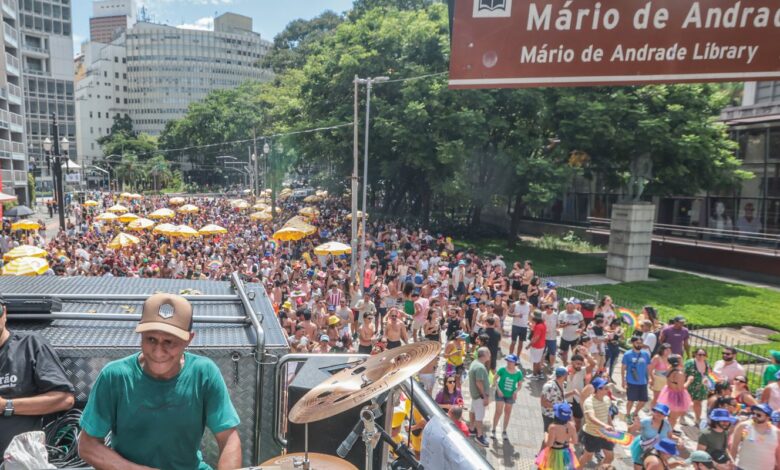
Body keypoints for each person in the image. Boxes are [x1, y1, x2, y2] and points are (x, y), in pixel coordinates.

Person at [79, 293, 242, 470]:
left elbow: (229, 439)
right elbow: (87, 445)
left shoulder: (204, 373)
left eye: (169, 342)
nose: (158, 352)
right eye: (151, 339)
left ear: (188, 339)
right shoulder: (115, 376)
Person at [0, 296, 76, 456]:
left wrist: (7, 405)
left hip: (22, 461)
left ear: (4, 312)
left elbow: (64, 399)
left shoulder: (30, 345)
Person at [729, 403, 780, 470]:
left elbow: (778, 454)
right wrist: (731, 466)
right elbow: (734, 448)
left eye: (758, 415)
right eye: (753, 413)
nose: (754, 416)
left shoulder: (776, 432)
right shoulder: (743, 426)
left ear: (768, 417)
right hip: (743, 468)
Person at [579, 378, 615, 468]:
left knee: (610, 457)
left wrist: (611, 425)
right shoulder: (589, 402)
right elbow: (591, 417)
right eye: (603, 387)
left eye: (606, 387)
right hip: (592, 434)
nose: (607, 389)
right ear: (597, 390)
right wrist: (605, 425)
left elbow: (607, 414)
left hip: (605, 433)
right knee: (587, 456)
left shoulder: (607, 399)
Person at [628, 403, 674, 469]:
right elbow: (629, 431)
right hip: (643, 449)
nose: (659, 414)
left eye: (662, 413)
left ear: (665, 416)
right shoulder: (645, 421)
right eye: (657, 411)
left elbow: (670, 436)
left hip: (658, 450)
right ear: (653, 411)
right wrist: (634, 426)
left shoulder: (666, 424)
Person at [535, 402, 579, 470]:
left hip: (554, 453)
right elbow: (575, 441)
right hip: (566, 452)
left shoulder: (553, 428)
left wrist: (546, 435)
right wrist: (565, 441)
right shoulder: (572, 426)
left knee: (544, 467)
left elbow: (549, 444)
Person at [492, 354, 523, 442]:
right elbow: (494, 379)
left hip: (510, 396)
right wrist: (498, 390)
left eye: (511, 361)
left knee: (507, 413)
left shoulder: (519, 373)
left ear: (515, 363)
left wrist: (516, 391)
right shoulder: (502, 369)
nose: (509, 363)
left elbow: (520, 385)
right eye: (508, 361)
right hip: (500, 394)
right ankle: (493, 430)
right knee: (498, 412)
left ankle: (504, 431)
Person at [622, 335, 651, 425]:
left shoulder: (645, 354)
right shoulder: (627, 354)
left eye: (640, 343)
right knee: (631, 400)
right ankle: (627, 414)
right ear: (633, 343)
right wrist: (623, 380)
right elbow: (623, 368)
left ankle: (634, 413)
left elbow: (648, 368)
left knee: (643, 400)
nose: (639, 344)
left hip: (643, 381)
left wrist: (649, 378)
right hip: (631, 381)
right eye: (637, 343)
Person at [657, 354, 692, 429]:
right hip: (677, 395)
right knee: (673, 417)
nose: (683, 360)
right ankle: (669, 431)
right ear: (678, 362)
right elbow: (681, 388)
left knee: (670, 415)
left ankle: (666, 428)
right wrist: (689, 380)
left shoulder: (670, 368)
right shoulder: (679, 373)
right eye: (681, 359)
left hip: (669, 393)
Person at [468, 347, 491, 447]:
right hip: (479, 396)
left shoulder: (475, 363)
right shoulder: (480, 368)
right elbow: (479, 382)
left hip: (474, 395)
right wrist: (484, 397)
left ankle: (472, 429)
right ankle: (479, 436)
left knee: (472, 411)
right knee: (479, 417)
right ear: (484, 355)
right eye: (488, 352)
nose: (490, 354)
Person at [685, 348, 712, 427]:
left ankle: (697, 419)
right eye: (699, 354)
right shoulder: (690, 362)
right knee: (685, 402)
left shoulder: (706, 364)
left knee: (698, 403)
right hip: (690, 385)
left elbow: (708, 374)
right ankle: (682, 417)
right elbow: (684, 373)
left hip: (701, 387)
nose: (701, 356)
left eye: (703, 355)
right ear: (695, 354)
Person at [541, 367, 569, 434]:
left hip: (558, 415)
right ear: (564, 375)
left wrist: (573, 392)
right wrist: (557, 408)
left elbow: (561, 396)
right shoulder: (549, 386)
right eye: (567, 374)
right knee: (547, 435)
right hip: (549, 415)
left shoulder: (563, 384)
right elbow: (543, 402)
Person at [558, 299, 584, 366]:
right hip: (565, 337)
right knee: (564, 352)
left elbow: (583, 324)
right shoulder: (562, 313)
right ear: (565, 307)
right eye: (568, 307)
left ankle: (574, 365)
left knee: (575, 352)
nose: (570, 309)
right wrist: (565, 324)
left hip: (575, 337)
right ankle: (565, 365)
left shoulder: (578, 314)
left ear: (574, 307)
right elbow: (559, 325)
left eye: (571, 307)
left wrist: (581, 329)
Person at [648, 343, 671, 409]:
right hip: (658, 379)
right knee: (657, 397)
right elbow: (650, 369)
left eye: (669, 350)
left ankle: (659, 410)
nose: (668, 351)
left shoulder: (670, 358)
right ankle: (652, 409)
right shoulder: (657, 357)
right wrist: (651, 379)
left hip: (666, 380)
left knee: (664, 397)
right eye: (666, 350)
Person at [509, 293, 530, 358]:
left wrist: (530, 322)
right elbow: (509, 313)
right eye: (521, 299)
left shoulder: (529, 305)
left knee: (521, 343)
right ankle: (510, 356)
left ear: (526, 299)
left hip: (524, 327)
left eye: (524, 299)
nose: (522, 300)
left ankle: (518, 357)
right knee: (513, 342)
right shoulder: (515, 304)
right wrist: (515, 315)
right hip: (515, 326)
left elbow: (531, 315)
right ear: (519, 298)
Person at [528, 311, 547, 379]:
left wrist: (529, 345)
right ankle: (539, 374)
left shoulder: (538, 326)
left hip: (537, 346)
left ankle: (534, 375)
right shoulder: (542, 324)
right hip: (541, 345)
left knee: (535, 361)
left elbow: (536, 337)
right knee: (538, 360)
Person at [543, 303, 559, 370]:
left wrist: (557, 329)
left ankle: (552, 366)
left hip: (552, 337)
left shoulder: (555, 315)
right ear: (546, 308)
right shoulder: (542, 314)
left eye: (552, 309)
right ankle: (541, 364)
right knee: (542, 352)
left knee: (552, 352)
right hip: (543, 337)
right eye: (549, 308)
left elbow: (558, 324)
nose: (550, 310)